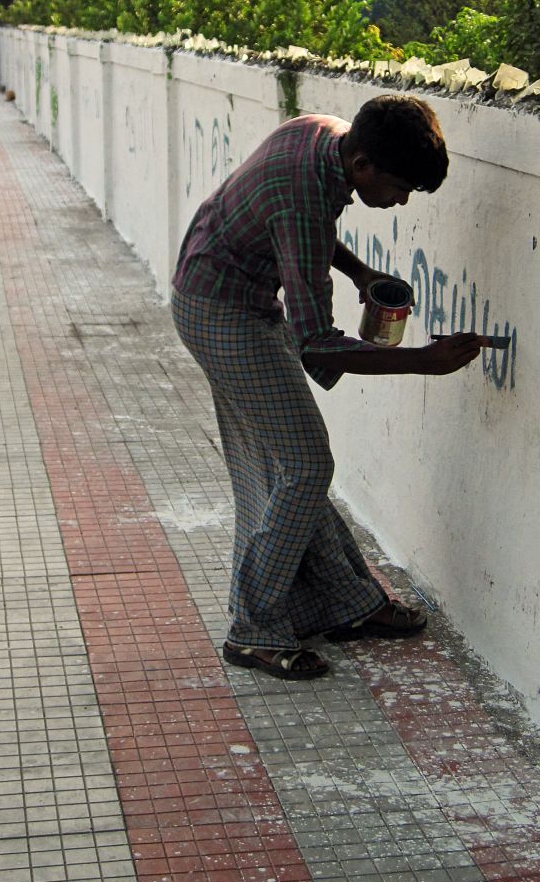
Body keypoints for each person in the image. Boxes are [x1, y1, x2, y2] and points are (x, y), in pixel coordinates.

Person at [171, 94, 483, 682]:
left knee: (289, 461)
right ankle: (253, 629)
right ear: (362, 164)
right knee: (306, 465)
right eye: (398, 187)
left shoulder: (322, 135)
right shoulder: (306, 194)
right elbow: (315, 340)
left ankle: (349, 602)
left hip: (221, 295)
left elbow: (297, 227)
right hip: (220, 313)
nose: (400, 200)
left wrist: (361, 273)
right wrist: (424, 361)